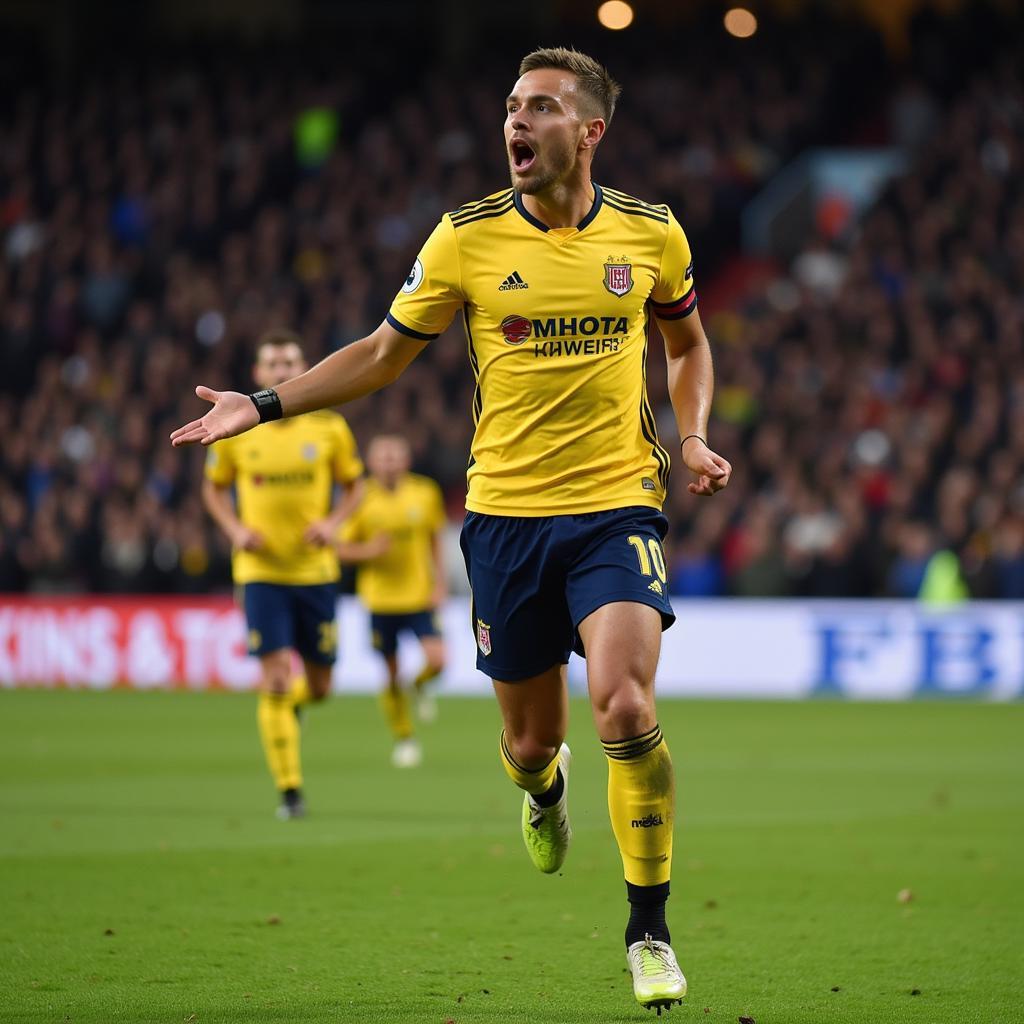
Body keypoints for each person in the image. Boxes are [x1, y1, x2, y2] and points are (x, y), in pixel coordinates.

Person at [173, 47, 731, 1012]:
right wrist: (263, 405)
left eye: (542, 108)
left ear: (590, 132)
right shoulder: (465, 239)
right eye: (511, 108)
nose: (516, 123)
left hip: (617, 507)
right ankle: (543, 793)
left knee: (627, 709)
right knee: (529, 745)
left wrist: (693, 436)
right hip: (506, 521)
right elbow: (385, 354)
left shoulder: (651, 234)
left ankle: (649, 929)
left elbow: (686, 341)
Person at [201, 329, 365, 820]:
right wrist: (234, 528)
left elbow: (355, 488)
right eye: (271, 364)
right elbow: (213, 490)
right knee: (274, 677)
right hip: (261, 572)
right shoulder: (237, 430)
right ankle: (290, 791)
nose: (281, 371)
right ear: (257, 374)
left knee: (318, 687)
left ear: (305, 368)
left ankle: (291, 709)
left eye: (289, 362)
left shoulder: (330, 428)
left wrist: (333, 524)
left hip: (315, 571)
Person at [336, 434, 447, 768]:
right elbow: (339, 548)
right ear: (371, 463)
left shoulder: (425, 492)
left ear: (406, 461)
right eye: (382, 457)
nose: (389, 463)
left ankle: (419, 686)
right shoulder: (360, 498)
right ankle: (405, 738)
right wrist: (369, 551)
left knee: (438, 660)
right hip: (380, 600)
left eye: (394, 456)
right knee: (391, 672)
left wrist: (440, 582)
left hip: (418, 595)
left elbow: (435, 539)